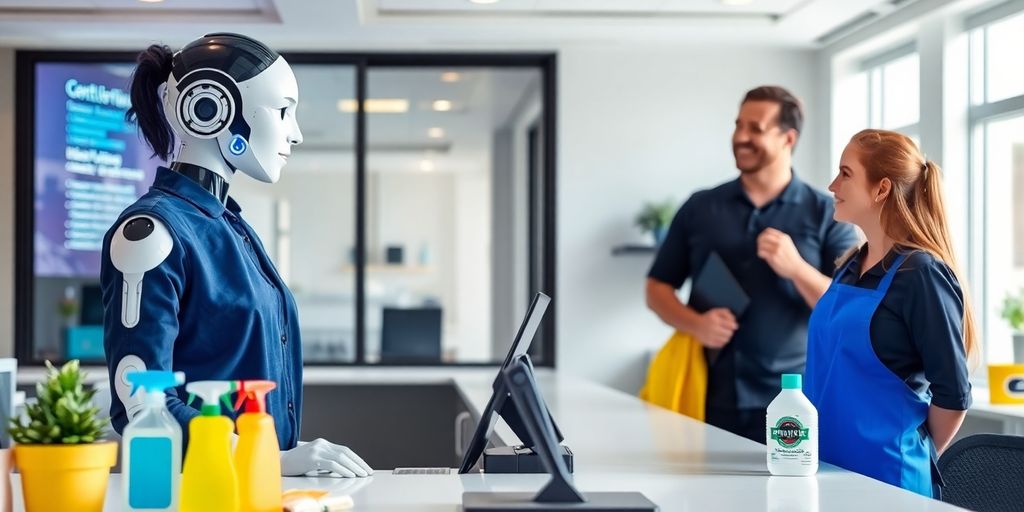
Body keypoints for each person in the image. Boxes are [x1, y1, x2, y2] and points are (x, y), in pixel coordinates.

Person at [101, 33, 373, 478]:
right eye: (283, 111)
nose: (295, 133)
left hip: (251, 485)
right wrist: (274, 459)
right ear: (210, 108)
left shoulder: (232, 227)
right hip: (195, 494)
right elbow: (140, 404)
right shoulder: (150, 234)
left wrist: (283, 453)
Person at [645, 85, 859, 443]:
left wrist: (796, 268)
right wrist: (695, 323)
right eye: (738, 125)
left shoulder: (828, 214)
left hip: (795, 401)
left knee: (789, 500)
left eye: (755, 129)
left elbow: (846, 308)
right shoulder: (700, 207)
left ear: (788, 138)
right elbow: (656, 288)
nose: (740, 137)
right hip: (706, 398)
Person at [807, 129, 977, 497]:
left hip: (888, 479)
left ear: (881, 189)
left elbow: (953, 394)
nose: (832, 183)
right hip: (825, 469)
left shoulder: (921, 272)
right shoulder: (851, 264)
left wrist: (906, 449)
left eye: (846, 173)